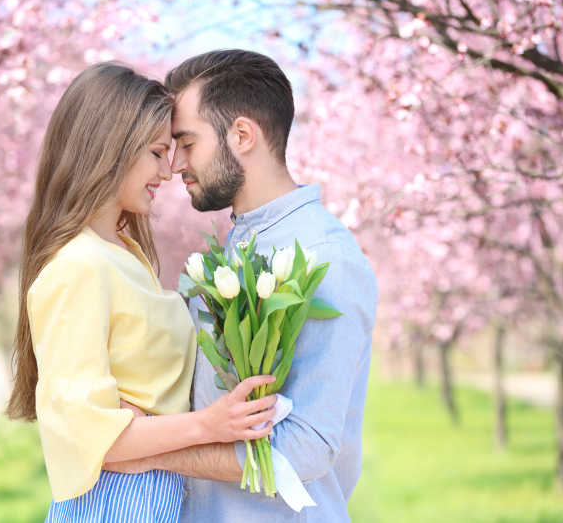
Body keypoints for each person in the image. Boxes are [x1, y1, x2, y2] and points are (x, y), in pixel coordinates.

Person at [104, 50, 378, 523]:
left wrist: (149, 451)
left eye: (187, 143)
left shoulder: (324, 257)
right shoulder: (238, 246)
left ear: (242, 135)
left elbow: (306, 449)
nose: (175, 165)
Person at [6, 62, 277, 523]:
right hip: (115, 502)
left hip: (152, 494)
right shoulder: (79, 266)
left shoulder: (123, 256)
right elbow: (89, 437)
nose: (168, 171)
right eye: (155, 152)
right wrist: (206, 426)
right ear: (109, 150)